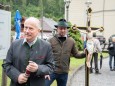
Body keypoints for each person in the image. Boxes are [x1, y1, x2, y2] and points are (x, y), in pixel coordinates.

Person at [2, 17, 54, 86]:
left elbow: (51, 67)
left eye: (31, 28)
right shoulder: (14, 44)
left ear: (38, 31)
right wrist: (17, 76)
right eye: (25, 27)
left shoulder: (46, 46)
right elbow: (6, 64)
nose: (27, 31)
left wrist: (38, 68)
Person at [45, 19, 86, 86]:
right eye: (61, 28)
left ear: (67, 29)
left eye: (64, 29)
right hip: (51, 71)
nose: (63, 30)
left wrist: (85, 53)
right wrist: (45, 71)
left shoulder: (71, 41)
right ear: (57, 29)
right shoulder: (50, 40)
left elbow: (76, 54)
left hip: (64, 72)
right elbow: (45, 55)